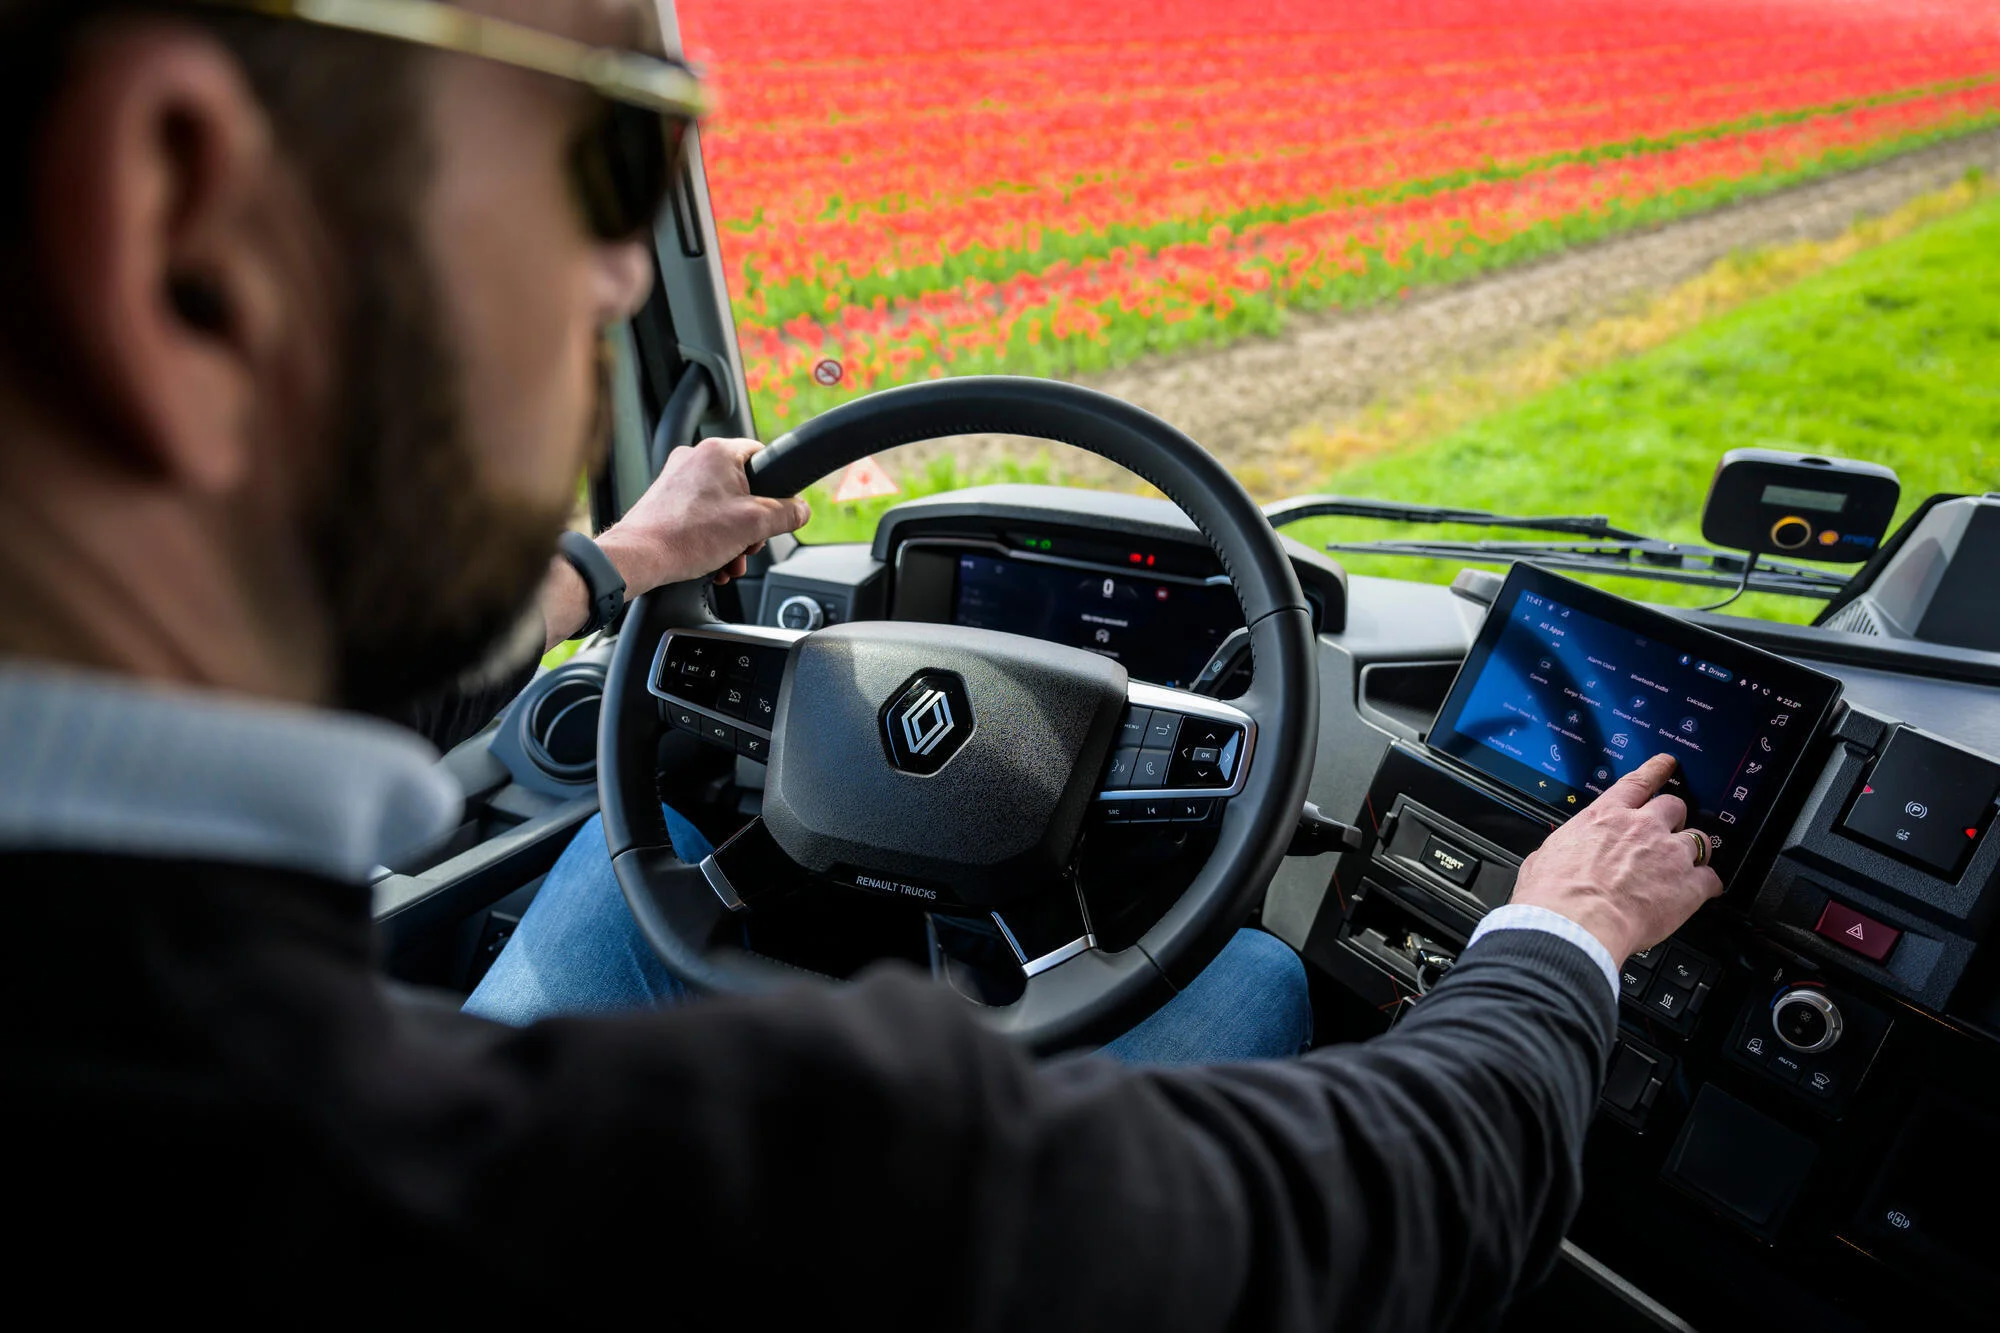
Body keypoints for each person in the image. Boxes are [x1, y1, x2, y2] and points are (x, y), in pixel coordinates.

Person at [0, 1, 1724, 1326]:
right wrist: (1560, 934)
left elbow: (334, 675)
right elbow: (1389, 1211)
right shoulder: (694, 1195)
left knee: (635, 870)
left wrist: (616, 567)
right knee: (1257, 984)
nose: (625, 272)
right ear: (179, 225)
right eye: (614, 158)